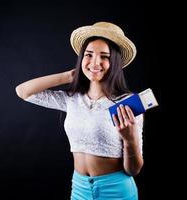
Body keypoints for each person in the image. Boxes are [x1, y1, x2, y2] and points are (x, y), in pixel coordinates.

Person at [15, 22, 144, 200]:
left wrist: (130, 140)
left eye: (104, 56)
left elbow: (134, 169)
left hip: (116, 190)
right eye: (88, 55)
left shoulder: (127, 103)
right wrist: (68, 76)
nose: (95, 62)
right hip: (79, 189)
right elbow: (23, 91)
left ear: (114, 62)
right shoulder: (71, 99)